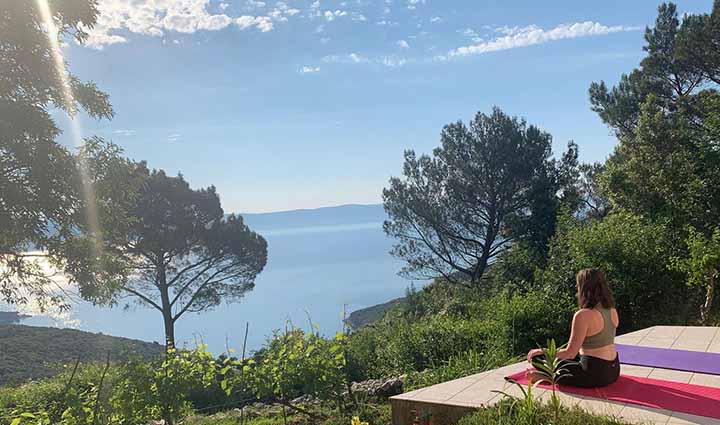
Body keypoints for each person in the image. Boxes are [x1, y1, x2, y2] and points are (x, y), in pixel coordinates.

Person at [526, 268, 620, 388]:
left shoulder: (583, 315)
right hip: (613, 370)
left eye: (578, 285)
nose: (576, 288)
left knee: (537, 358)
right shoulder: (612, 310)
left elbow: (570, 353)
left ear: (584, 288)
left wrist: (542, 351)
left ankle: (546, 377)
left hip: (594, 375)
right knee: (572, 356)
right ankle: (550, 375)